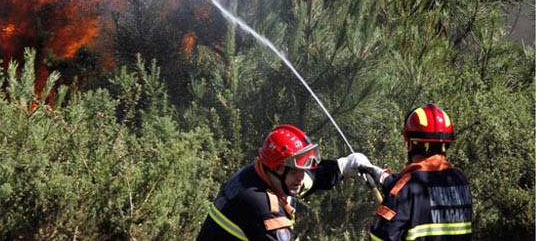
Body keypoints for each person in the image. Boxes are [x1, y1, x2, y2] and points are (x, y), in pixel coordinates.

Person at [196, 124, 383, 241]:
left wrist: (345, 165)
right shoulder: (262, 206)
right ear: (276, 168)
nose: (301, 178)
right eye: (295, 171)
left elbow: (313, 178)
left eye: (303, 170)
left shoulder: (259, 175)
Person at [367, 103, 473, 241]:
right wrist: (386, 179)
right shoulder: (460, 181)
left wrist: (392, 197)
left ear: (411, 144)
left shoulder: (406, 188)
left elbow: (379, 237)